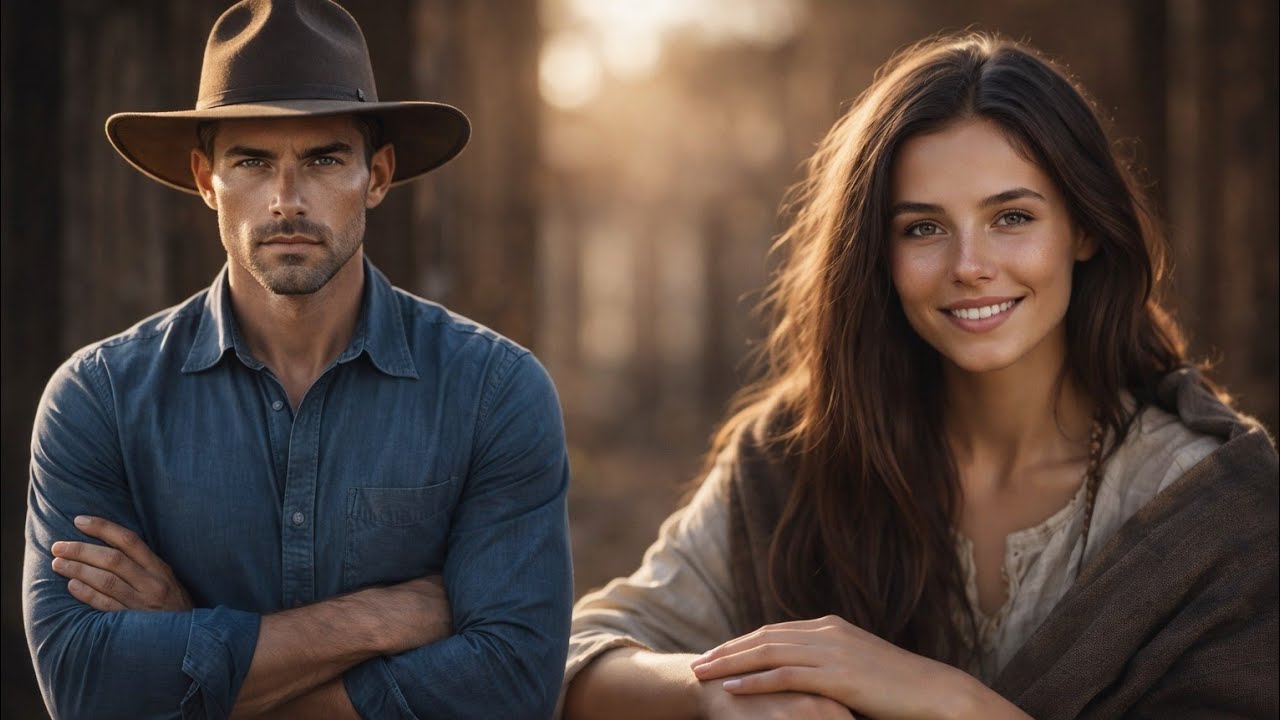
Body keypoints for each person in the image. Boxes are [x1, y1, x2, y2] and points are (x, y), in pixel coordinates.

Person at [560, 33, 1278, 720]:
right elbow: (572, 655)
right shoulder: (797, 456)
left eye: (1012, 217)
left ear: (1084, 229)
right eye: (923, 229)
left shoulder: (1210, 504)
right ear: (879, 252)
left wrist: (942, 698)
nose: (969, 265)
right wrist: (708, 690)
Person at [22, 1, 572, 718]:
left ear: (376, 177)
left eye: (323, 159)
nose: (286, 200)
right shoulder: (100, 398)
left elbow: (513, 683)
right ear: (203, 179)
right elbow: (83, 683)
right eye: (251, 161)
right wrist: (378, 621)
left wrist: (193, 650)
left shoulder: (493, 391)